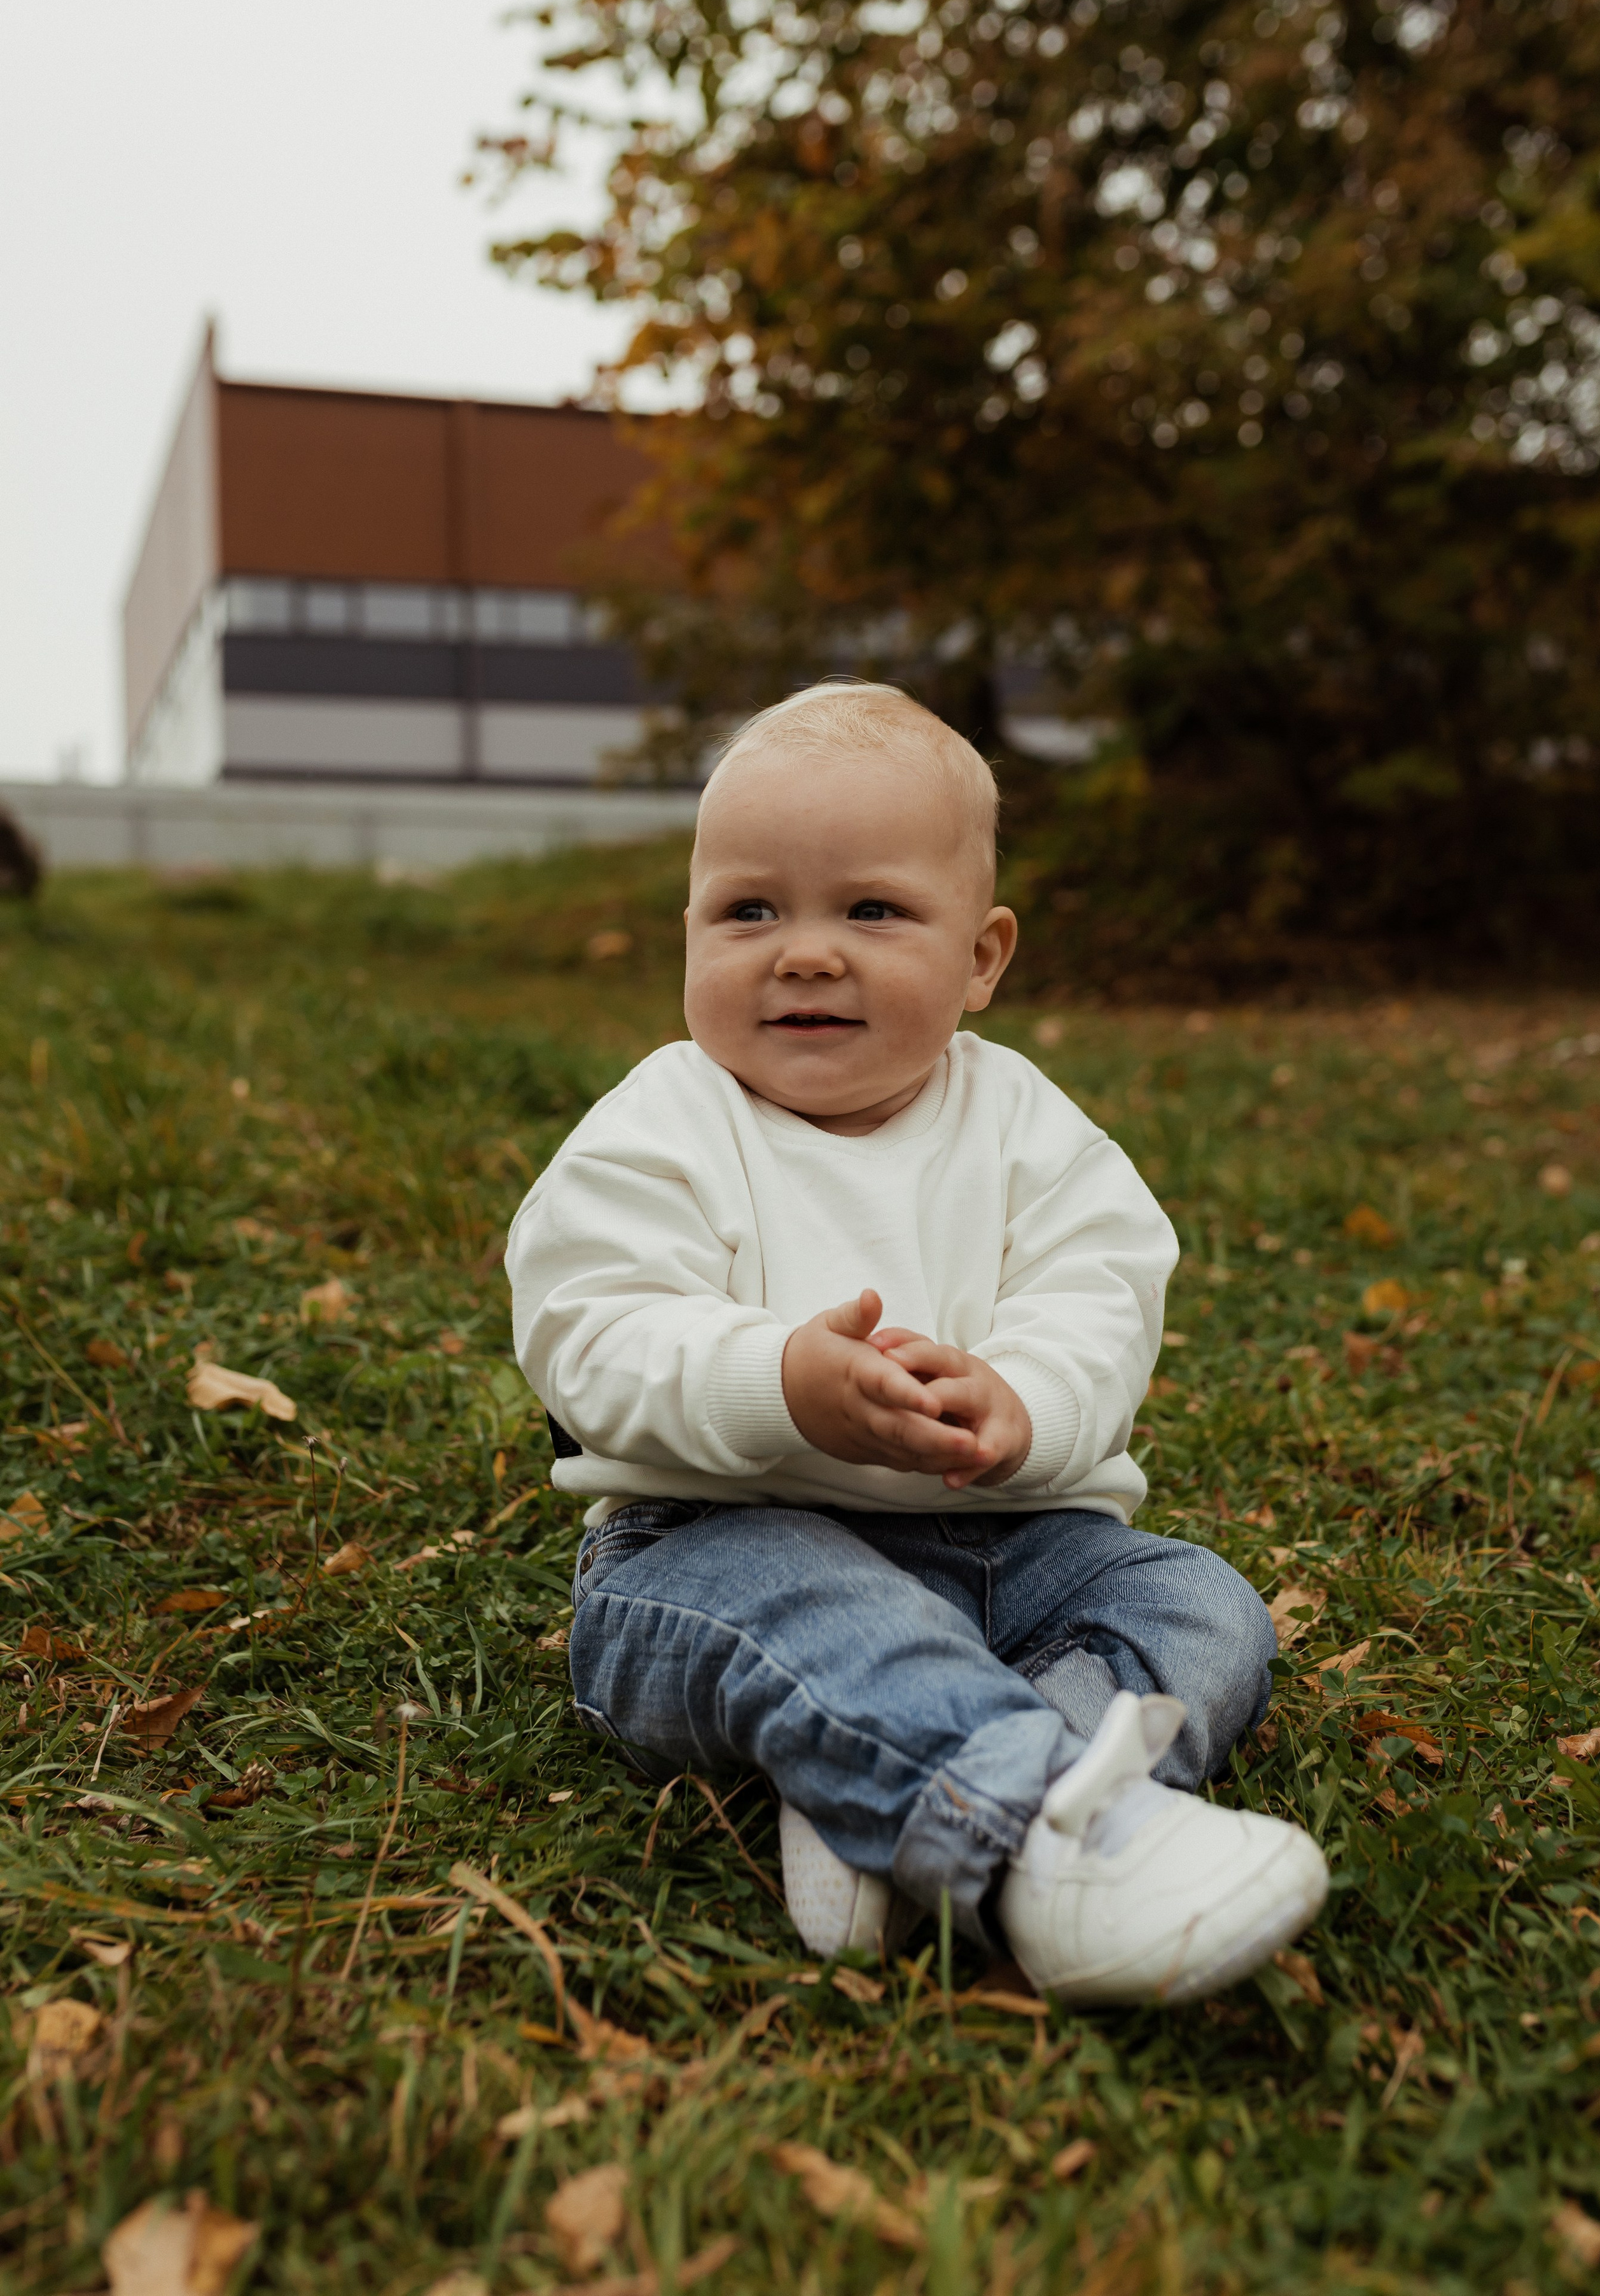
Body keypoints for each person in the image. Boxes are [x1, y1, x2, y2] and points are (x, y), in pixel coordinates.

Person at [506, 682, 1326, 2005]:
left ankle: (887, 1796)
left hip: (1012, 1547)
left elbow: (1099, 1294)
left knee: (1197, 1606)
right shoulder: (664, 1120)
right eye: (749, 910)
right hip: (717, 1546)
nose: (806, 952)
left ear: (982, 956)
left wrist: (1024, 1401)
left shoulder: (1026, 1127)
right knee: (814, 1609)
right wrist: (776, 1384)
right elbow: (586, 1327)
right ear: (689, 933)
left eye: (871, 911)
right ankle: (1041, 1856)